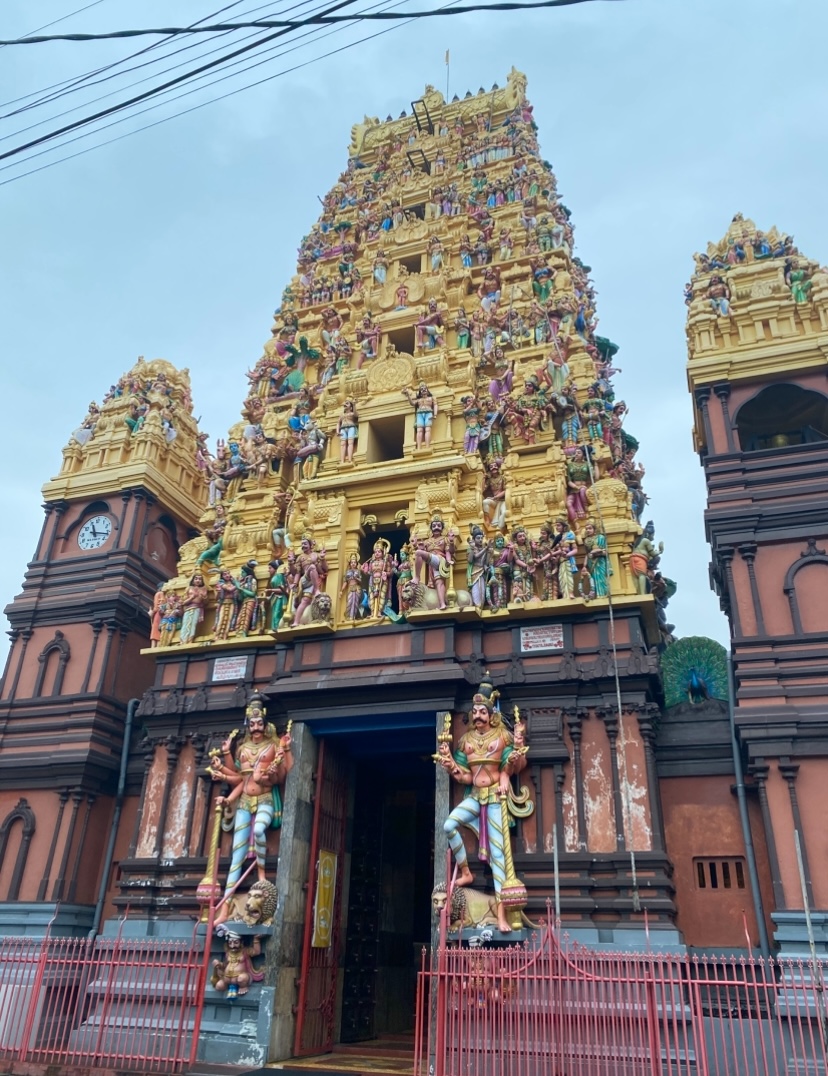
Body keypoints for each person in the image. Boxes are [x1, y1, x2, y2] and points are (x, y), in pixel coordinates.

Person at [438, 685, 528, 932]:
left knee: (499, 860)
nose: (478, 716)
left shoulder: (502, 736)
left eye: (482, 712)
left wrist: (508, 770)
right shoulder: (466, 740)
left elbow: (516, 763)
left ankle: (502, 916)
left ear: (492, 714)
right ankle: (466, 872)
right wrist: (451, 767)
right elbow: (466, 777)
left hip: (495, 800)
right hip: (476, 797)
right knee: (449, 824)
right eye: (475, 712)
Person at [209, 695, 293, 909]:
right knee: (236, 854)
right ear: (248, 726)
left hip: (265, 799)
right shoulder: (242, 749)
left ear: (265, 725)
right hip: (245, 801)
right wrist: (224, 763)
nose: (256, 727)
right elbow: (239, 777)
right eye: (252, 724)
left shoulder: (273, 747)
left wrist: (272, 771)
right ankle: (225, 907)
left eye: (260, 723)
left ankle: (262, 873)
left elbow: (283, 777)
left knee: (258, 831)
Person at [179, 572, 209, 645]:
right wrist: (192, 597)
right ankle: (182, 641)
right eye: (196, 579)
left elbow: (206, 602)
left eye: (200, 579)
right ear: (193, 580)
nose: (198, 580)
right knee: (186, 624)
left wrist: (204, 597)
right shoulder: (189, 588)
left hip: (197, 608)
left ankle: (190, 640)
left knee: (193, 624)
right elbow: (183, 602)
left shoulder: (203, 589)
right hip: (188, 608)